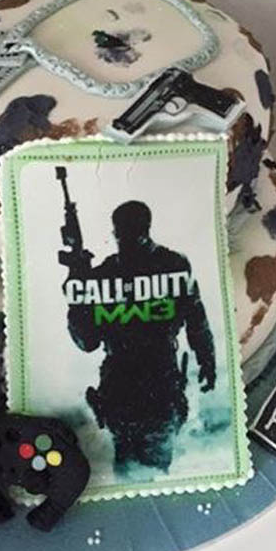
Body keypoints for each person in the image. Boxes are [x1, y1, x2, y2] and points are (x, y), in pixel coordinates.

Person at [62, 200, 216, 473]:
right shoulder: (168, 265)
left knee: (146, 468)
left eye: (125, 230)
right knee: (136, 469)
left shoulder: (168, 266)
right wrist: (77, 278)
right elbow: (87, 340)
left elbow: (196, 319)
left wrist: (207, 360)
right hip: (131, 387)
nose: (123, 237)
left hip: (153, 384)